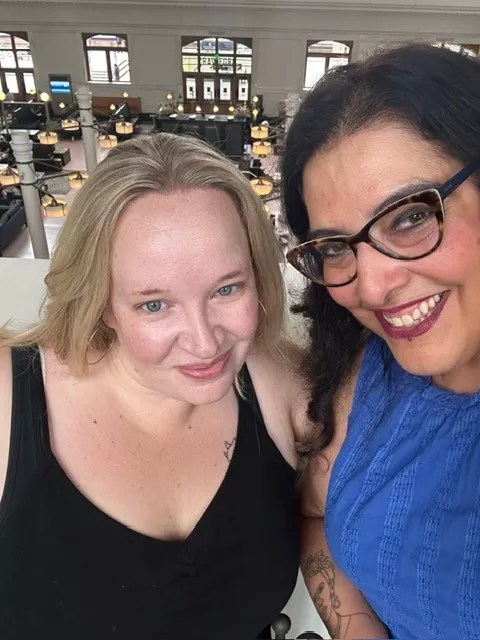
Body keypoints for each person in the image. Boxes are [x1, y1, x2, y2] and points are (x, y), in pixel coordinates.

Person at [0, 132, 310, 639]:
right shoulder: (7, 401)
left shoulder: (282, 383)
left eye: (227, 288)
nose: (205, 342)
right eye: (154, 304)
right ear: (101, 302)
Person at [283, 43, 480, 639]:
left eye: (410, 217)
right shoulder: (368, 371)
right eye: (335, 247)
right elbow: (314, 514)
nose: (370, 288)